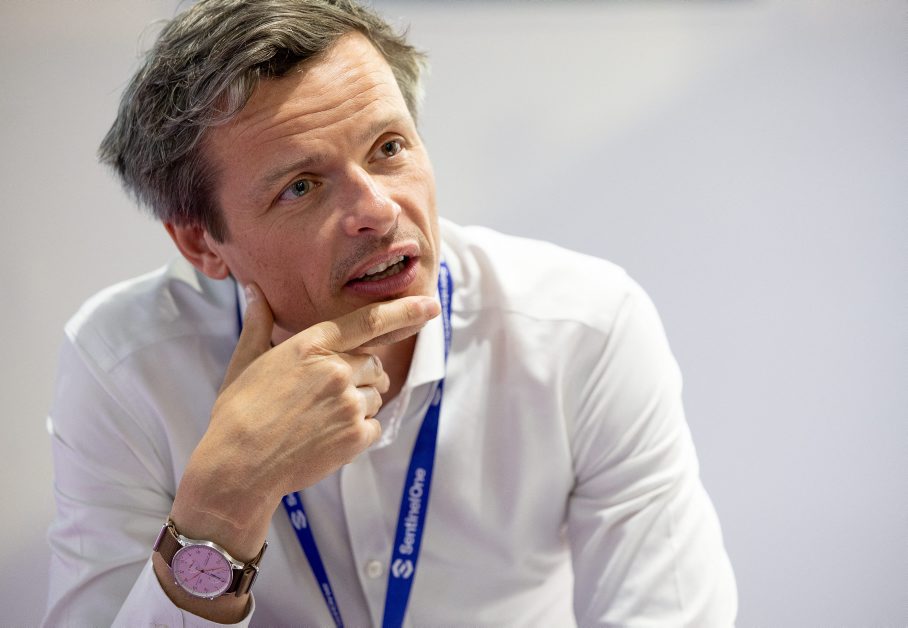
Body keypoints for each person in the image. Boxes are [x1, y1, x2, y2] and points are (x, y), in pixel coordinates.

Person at [44, 0, 737, 626]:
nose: (376, 210)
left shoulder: (583, 330)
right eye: (302, 187)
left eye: (389, 148)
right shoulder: (124, 368)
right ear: (201, 243)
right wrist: (226, 501)